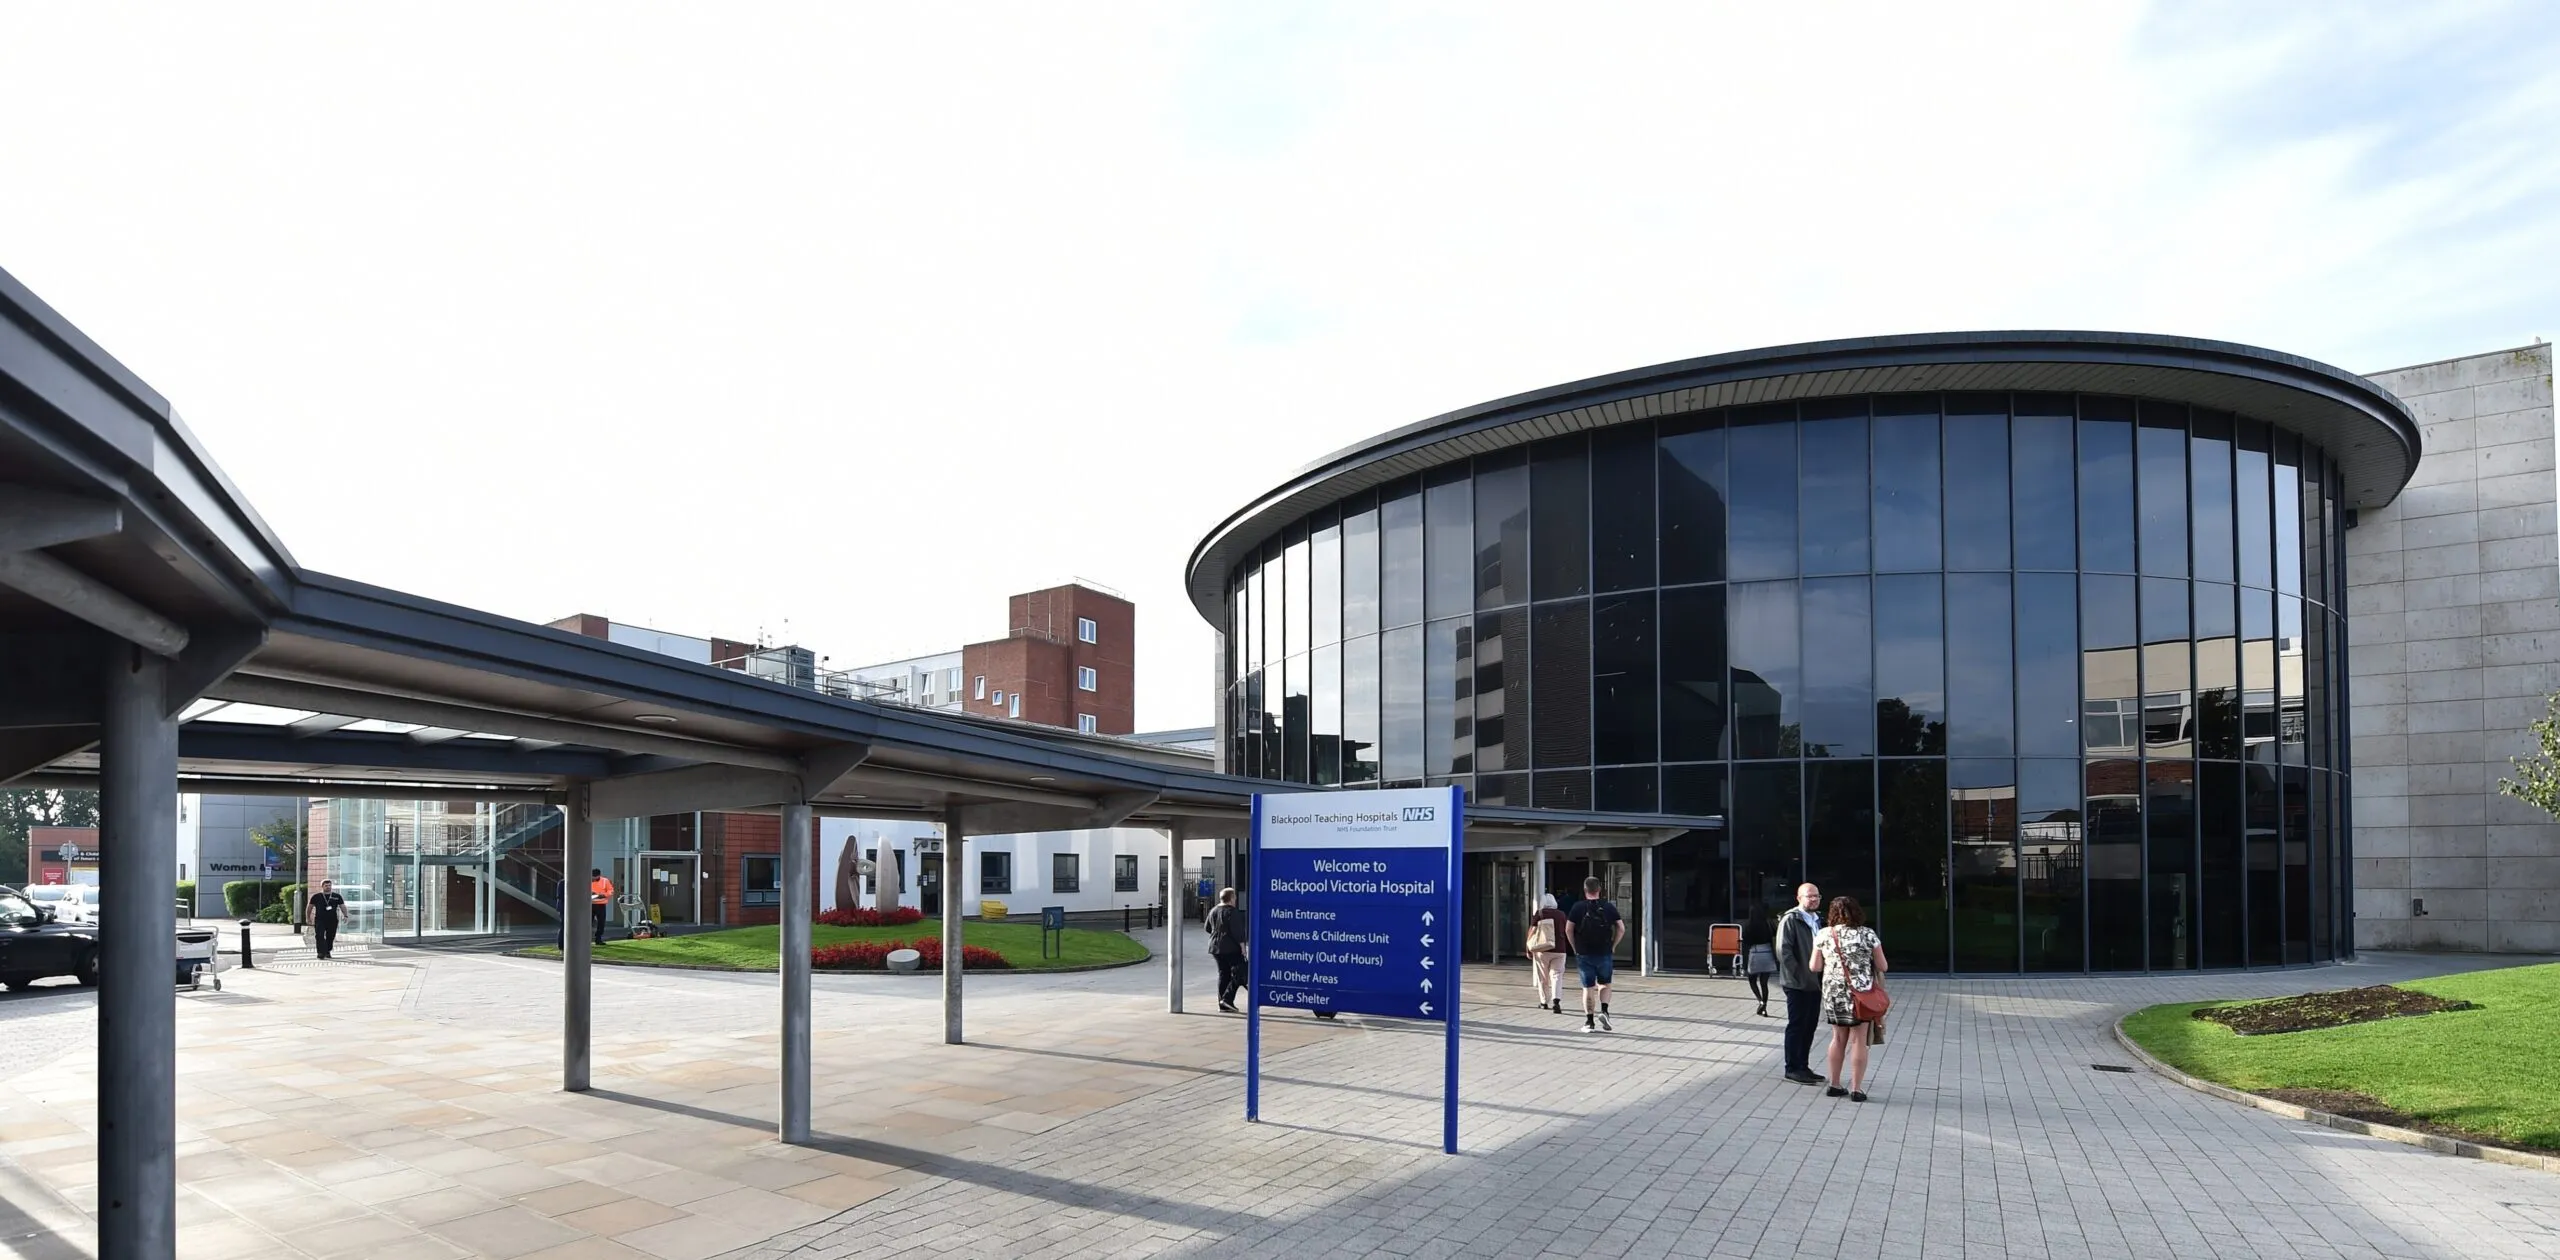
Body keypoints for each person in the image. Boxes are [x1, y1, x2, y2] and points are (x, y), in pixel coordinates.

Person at [1810, 894, 1887, 1102]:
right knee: (1859, 1041)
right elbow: (1883, 966)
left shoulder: (1824, 934)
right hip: (1861, 996)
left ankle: (1834, 1084)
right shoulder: (1868, 934)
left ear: (1833, 914)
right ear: (1857, 912)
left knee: (1837, 1038)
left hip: (1833, 994)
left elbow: (1814, 966)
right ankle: (1857, 1089)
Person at [1775, 882, 1826, 1085]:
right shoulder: (1791, 919)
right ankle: (1792, 1067)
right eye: (1809, 896)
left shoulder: (1818, 920)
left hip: (1816, 982)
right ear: (1799, 898)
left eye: (1816, 896)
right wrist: (1798, 974)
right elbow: (1783, 952)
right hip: (1797, 982)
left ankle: (1803, 1065)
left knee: (1810, 1024)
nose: (1813, 899)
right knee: (1797, 1024)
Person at [1564, 876, 1624, 1033]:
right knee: (1605, 983)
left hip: (1584, 953)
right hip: (1604, 952)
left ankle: (1589, 1022)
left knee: (1588, 987)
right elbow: (1621, 928)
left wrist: (1574, 947)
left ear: (1585, 890)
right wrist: (1613, 945)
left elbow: (1568, 929)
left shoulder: (1577, 907)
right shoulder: (1608, 907)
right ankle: (1604, 1011)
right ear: (1599, 890)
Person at [1526, 893, 1571, 1013]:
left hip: (1542, 949)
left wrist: (1528, 947)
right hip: (1560, 949)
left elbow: (1532, 931)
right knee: (1557, 976)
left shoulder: (1540, 914)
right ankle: (1556, 1001)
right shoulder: (1561, 914)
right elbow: (1567, 930)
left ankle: (1544, 1002)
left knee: (1543, 977)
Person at [1206, 886, 1247, 1013]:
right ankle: (1227, 999)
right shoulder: (1232, 912)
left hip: (1215, 948)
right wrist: (1243, 948)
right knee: (1240, 972)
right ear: (1231, 898)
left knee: (1224, 974)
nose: (1235, 900)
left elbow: (1207, 927)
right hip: (1230, 948)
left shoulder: (1213, 910)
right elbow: (1238, 932)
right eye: (1234, 897)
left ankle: (1222, 1004)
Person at [1741, 905, 1778, 1017]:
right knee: (1764, 983)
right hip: (1767, 953)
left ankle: (1760, 1000)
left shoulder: (1748, 925)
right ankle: (1764, 1005)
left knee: (1752, 980)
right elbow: (1775, 934)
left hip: (1755, 952)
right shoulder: (1768, 923)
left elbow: (1745, 941)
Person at [307, 880, 347, 961]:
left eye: (329, 885)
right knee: (319, 935)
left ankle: (327, 950)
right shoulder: (316, 896)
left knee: (330, 936)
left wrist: (345, 915)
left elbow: (342, 906)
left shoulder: (337, 896)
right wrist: (308, 918)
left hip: (332, 920)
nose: (328, 887)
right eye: (326, 885)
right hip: (320, 919)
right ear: (322, 886)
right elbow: (309, 907)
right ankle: (321, 952)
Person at [589, 868, 614, 944]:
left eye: (594, 877)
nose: (593, 878)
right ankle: (586, 939)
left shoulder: (605, 881)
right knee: (587, 923)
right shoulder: (587, 879)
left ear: (599, 875)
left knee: (601, 923)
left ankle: (598, 939)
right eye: (592, 876)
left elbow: (611, 891)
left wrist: (603, 895)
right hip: (590, 904)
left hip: (601, 904)